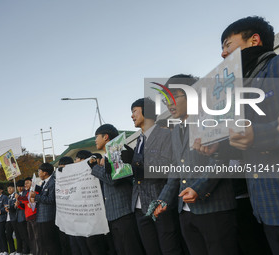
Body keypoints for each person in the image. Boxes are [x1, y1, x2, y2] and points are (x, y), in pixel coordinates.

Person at [194, 16, 279, 255]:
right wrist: (220, 148)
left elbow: (262, 134)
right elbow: (245, 144)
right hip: (264, 209)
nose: (222, 53)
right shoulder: (234, 94)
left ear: (254, 40)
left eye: (227, 44)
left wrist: (260, 134)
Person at [152, 74, 239, 255]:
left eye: (174, 96)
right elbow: (177, 167)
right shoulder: (176, 129)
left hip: (214, 208)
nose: (169, 103)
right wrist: (163, 199)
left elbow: (222, 160)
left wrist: (198, 188)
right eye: (166, 99)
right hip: (186, 211)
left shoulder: (212, 118)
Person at [130, 98, 185, 255]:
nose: (132, 116)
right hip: (140, 207)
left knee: (170, 249)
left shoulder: (165, 135)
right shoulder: (139, 141)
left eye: (134, 111)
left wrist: (137, 162)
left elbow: (167, 167)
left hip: (159, 202)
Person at [89, 124, 145, 255]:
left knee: (132, 250)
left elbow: (112, 180)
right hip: (112, 215)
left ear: (106, 137)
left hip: (124, 213)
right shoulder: (106, 158)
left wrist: (94, 168)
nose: (95, 140)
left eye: (96, 137)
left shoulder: (120, 152)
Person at [30, 163, 61, 255]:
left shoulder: (52, 182)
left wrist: (36, 196)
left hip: (48, 217)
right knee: (44, 242)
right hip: (41, 217)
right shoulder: (45, 183)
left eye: (39, 171)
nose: (38, 173)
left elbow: (51, 200)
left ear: (45, 172)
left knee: (50, 243)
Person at [16, 177, 40, 255]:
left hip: (34, 215)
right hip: (28, 217)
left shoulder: (34, 190)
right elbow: (24, 206)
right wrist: (19, 205)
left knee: (37, 237)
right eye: (25, 183)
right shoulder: (26, 192)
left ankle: (38, 252)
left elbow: (28, 198)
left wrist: (19, 197)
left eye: (27, 183)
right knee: (31, 237)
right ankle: (33, 252)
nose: (25, 185)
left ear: (32, 182)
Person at [14, 179, 31, 255]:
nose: (19, 188)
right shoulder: (16, 194)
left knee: (26, 235)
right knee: (22, 235)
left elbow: (25, 203)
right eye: (18, 187)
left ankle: (29, 250)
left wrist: (19, 202)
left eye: (21, 186)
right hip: (18, 217)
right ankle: (25, 250)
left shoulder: (26, 193)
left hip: (24, 217)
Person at [5, 183, 17, 255]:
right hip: (8, 219)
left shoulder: (16, 196)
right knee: (8, 235)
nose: (9, 190)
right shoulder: (8, 197)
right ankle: (12, 250)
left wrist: (9, 208)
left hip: (14, 218)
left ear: (14, 188)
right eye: (8, 189)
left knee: (18, 235)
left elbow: (15, 207)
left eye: (10, 188)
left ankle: (20, 250)